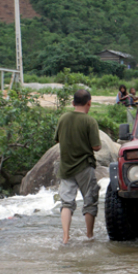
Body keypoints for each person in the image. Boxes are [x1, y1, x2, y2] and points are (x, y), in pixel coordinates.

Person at [55, 89, 101, 244]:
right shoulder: (90, 121)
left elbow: (57, 140)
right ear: (89, 102)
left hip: (66, 166)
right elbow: (96, 147)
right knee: (89, 200)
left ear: (73, 103)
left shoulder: (63, 118)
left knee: (66, 202)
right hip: (84, 167)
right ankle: (89, 235)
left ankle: (65, 237)